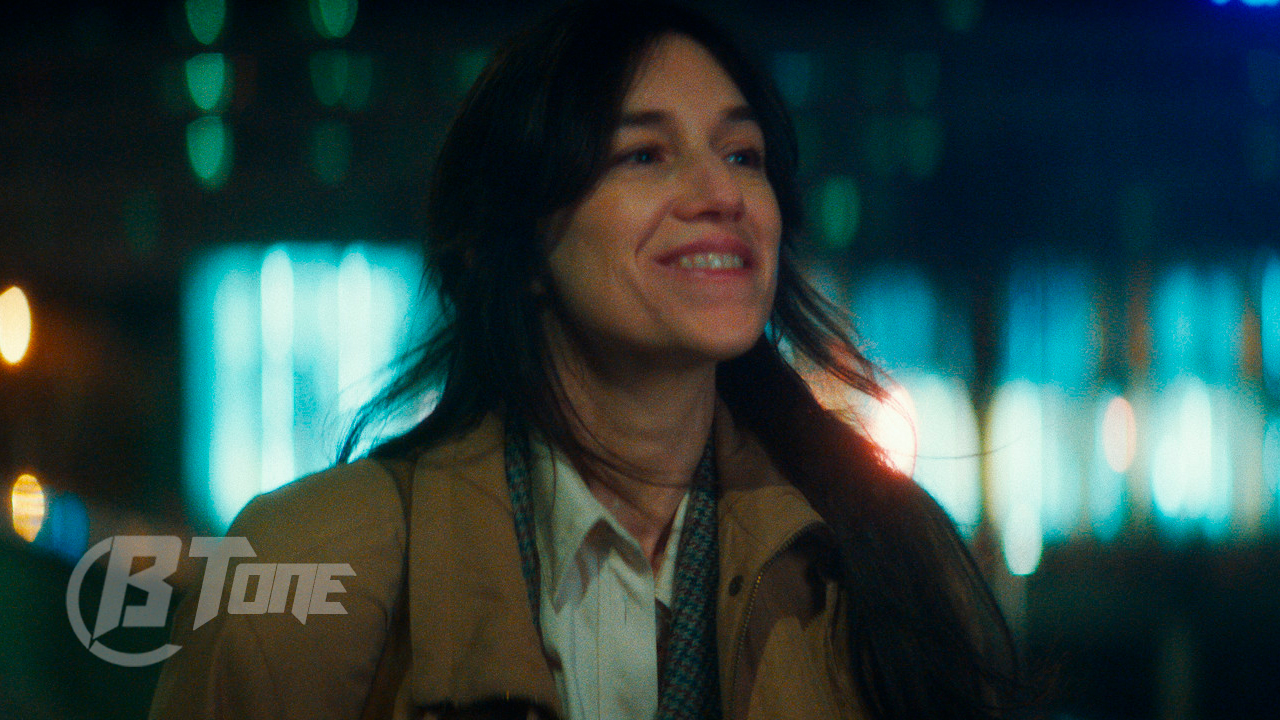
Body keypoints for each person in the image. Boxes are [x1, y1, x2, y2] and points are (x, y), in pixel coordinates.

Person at [150, 1, 1035, 719]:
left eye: (742, 154)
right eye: (644, 154)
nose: (721, 193)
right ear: (522, 241)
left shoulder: (881, 556)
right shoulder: (304, 567)